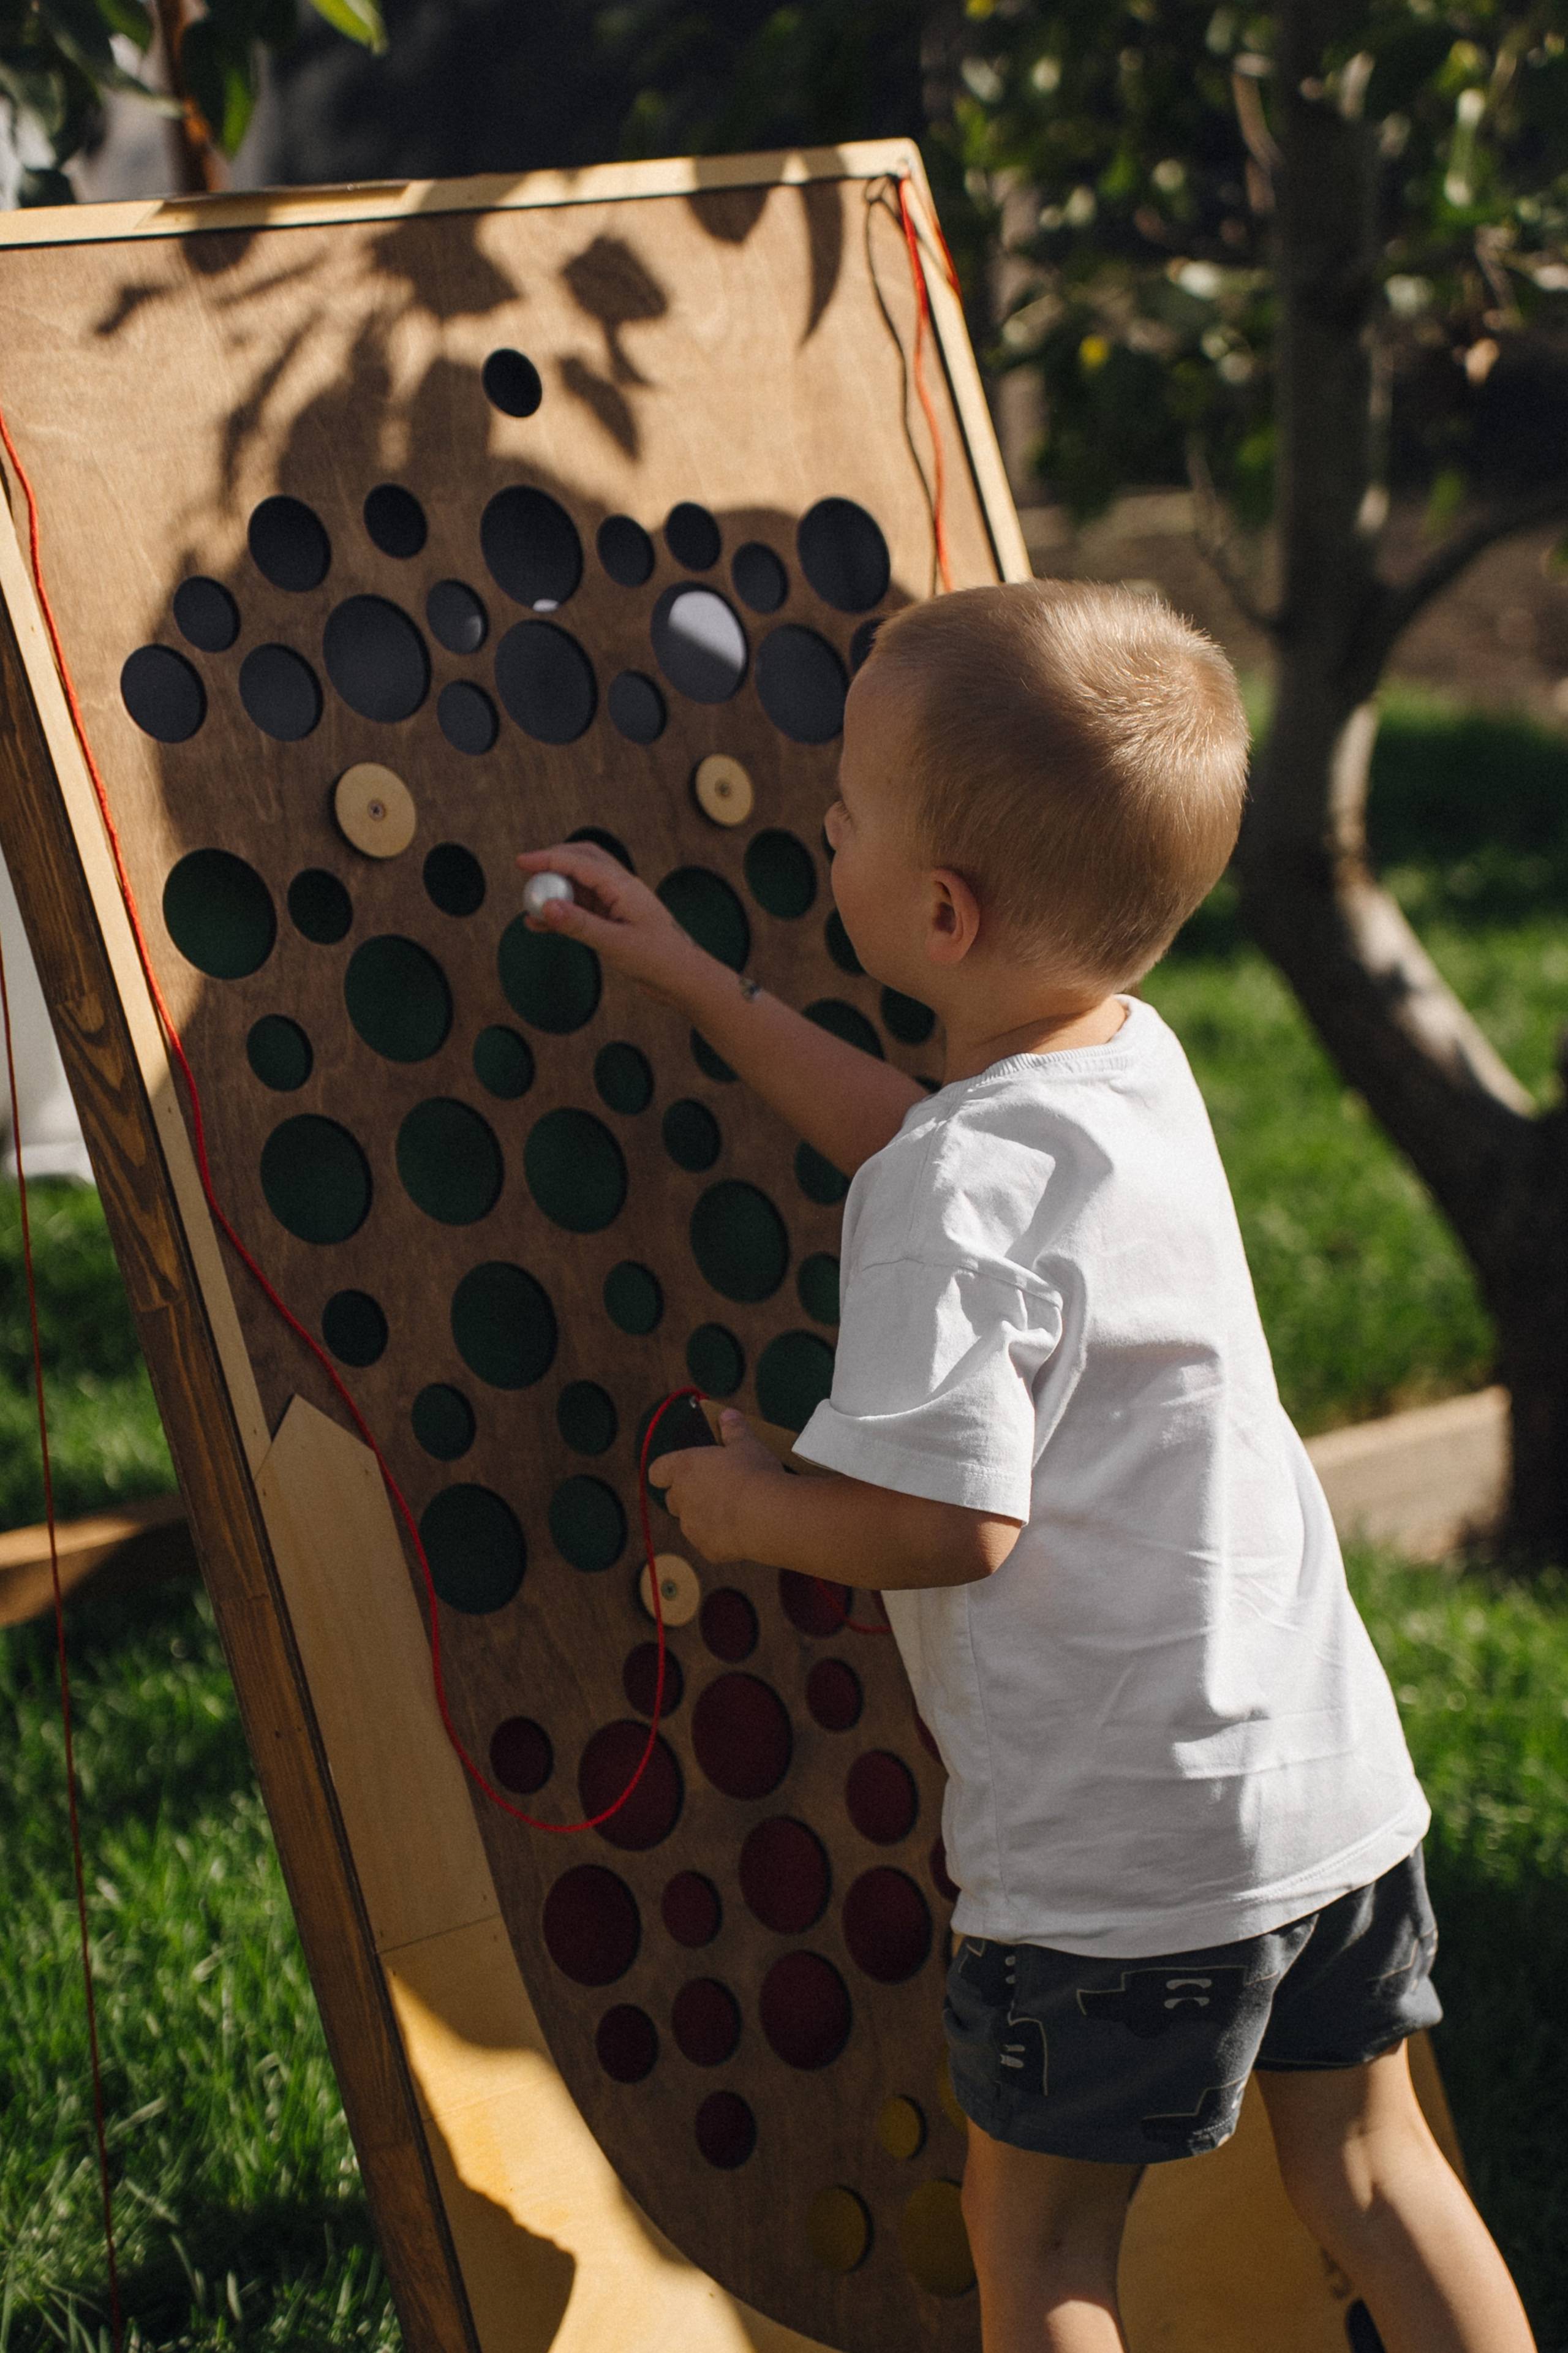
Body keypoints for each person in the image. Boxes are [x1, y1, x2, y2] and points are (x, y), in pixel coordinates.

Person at [517, 579, 1534, 2353]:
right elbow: (925, 1149)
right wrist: (702, 982)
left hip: (1112, 1863)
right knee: (1375, 2173)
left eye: (843, 803)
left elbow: (947, 1519)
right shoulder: (1131, 1063)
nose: (818, 812)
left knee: (1040, 2238)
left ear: (938, 907)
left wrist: (750, 1508)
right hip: (1322, 1794)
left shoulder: (954, 1190)